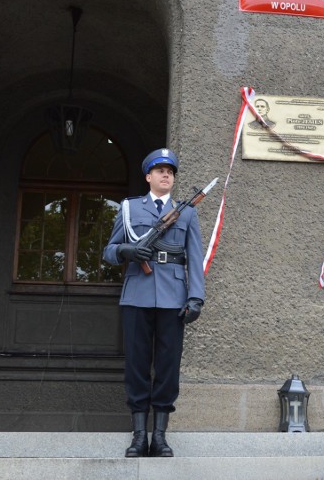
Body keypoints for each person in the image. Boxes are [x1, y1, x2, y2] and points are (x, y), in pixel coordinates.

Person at [103, 148, 205, 458]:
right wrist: (126, 252)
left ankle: (159, 437)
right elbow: (108, 252)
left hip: (173, 298)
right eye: (160, 170)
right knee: (136, 365)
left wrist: (196, 297)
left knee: (167, 367)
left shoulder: (186, 212)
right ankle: (138, 437)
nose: (166, 175)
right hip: (138, 295)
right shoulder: (130, 209)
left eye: (170, 172)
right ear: (148, 177)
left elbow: (195, 259)